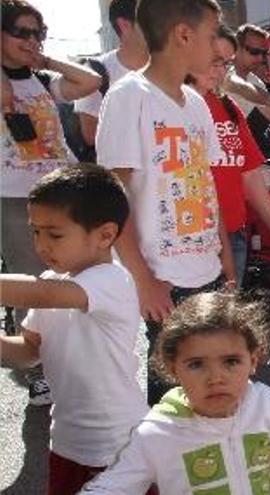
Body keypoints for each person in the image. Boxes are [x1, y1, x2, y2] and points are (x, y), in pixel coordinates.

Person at [96, 0, 235, 405]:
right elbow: (112, 198)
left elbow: (205, 186)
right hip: (163, 280)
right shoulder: (129, 97)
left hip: (206, 270)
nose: (216, 51)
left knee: (212, 386)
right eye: (212, 38)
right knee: (173, 394)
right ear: (183, 35)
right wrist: (144, 281)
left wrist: (225, 256)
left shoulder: (196, 104)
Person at [81, 291, 270, 494]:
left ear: (253, 360)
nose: (216, 378)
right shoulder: (158, 433)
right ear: (173, 369)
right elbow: (115, 486)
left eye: (231, 361)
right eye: (196, 364)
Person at [0, 165, 147, 494]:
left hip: (117, 443)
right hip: (67, 442)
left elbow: (41, 294)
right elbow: (28, 352)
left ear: (105, 235)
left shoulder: (111, 281)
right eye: (35, 231)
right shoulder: (54, 284)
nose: (41, 245)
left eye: (54, 234)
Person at [1, 0, 103, 406]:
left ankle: (72, 363)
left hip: (64, 190)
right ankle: (38, 371)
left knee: (73, 280)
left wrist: (43, 56)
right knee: (32, 284)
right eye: (20, 32)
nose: (30, 40)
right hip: (15, 198)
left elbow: (89, 81)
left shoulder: (41, 79)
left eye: (36, 32)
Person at [186, 26, 270, 285]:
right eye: (214, 61)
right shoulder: (172, 106)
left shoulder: (230, 108)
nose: (221, 71)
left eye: (226, 63)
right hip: (188, 242)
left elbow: (249, 174)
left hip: (234, 233)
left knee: (225, 320)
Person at [74, 0, 149, 156]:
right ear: (124, 25)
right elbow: (91, 135)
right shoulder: (96, 71)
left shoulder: (169, 68)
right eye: (150, 18)